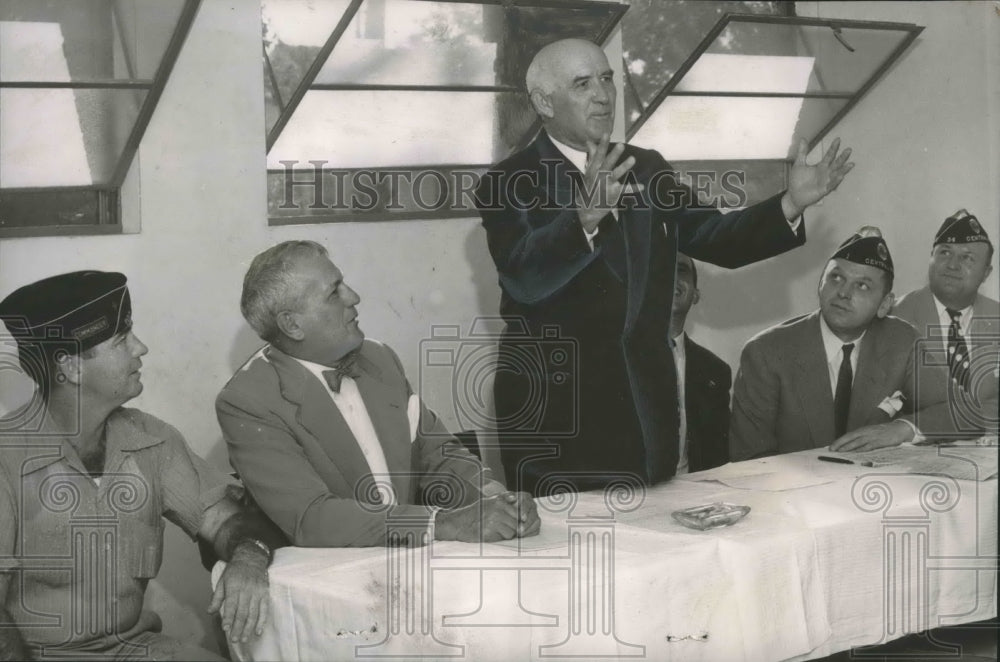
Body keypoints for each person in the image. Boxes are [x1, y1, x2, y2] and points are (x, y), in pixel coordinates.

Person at [475, 38, 855, 494]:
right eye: (582, 84)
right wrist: (583, 219)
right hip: (558, 424)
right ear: (543, 101)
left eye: (607, 78)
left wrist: (792, 202)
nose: (602, 94)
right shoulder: (508, 180)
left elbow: (714, 238)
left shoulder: (647, 168)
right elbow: (524, 278)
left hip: (644, 415)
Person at [0, 271, 278, 661]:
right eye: (121, 340)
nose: (141, 348)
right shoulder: (6, 461)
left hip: (137, 650)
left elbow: (226, 521)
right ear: (72, 366)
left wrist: (249, 557)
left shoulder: (151, 440)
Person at [216, 241, 540, 548]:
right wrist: (442, 524)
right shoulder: (247, 401)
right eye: (334, 292)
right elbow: (313, 518)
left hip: (407, 561)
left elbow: (436, 454)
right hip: (323, 575)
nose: (354, 297)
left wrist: (496, 499)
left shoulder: (379, 359)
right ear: (292, 325)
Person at [729, 230, 949, 460]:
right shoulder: (765, 352)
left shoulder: (901, 340)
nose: (843, 292)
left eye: (862, 285)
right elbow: (749, 457)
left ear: (885, 304)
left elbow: (959, 412)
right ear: (820, 284)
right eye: (836, 278)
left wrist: (902, 429)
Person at [893, 209, 998, 436]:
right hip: (908, 452)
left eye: (967, 257)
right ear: (931, 257)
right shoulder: (894, 317)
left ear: (986, 273)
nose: (952, 265)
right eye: (944, 253)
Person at [670, 253, 731, 474]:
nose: (670, 275)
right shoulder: (609, 360)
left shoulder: (716, 371)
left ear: (695, 294)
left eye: (681, 269)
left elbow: (718, 457)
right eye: (659, 266)